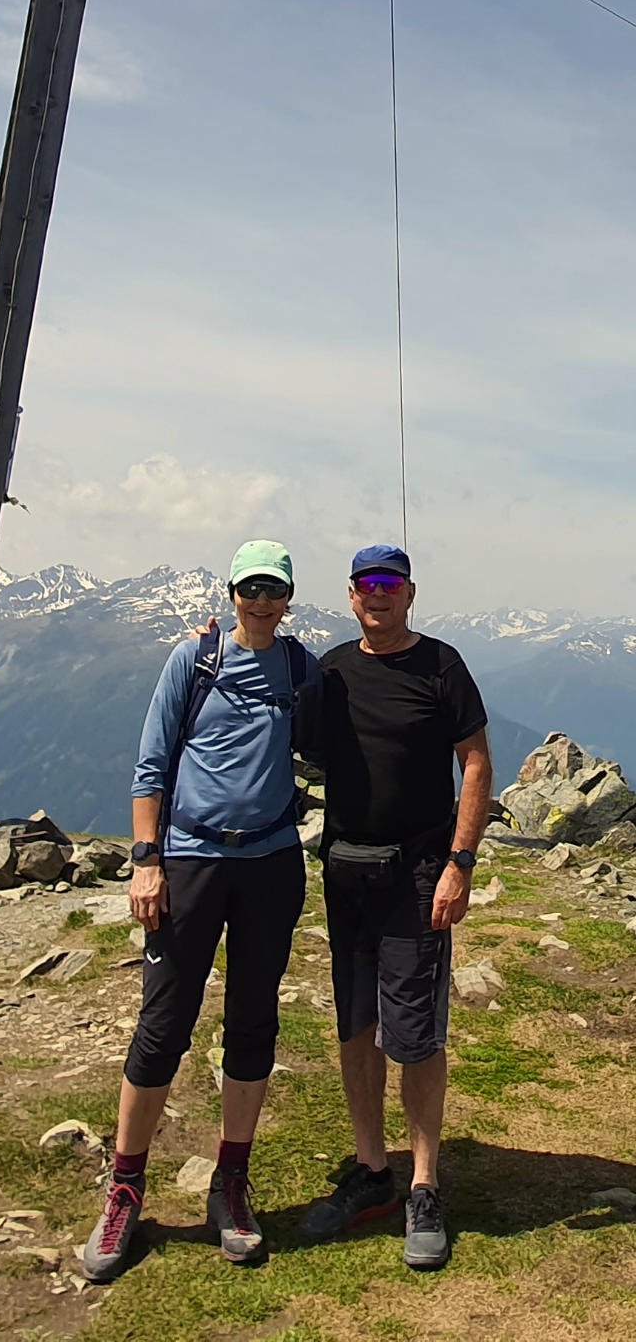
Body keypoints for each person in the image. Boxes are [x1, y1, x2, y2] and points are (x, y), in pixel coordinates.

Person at [81, 540, 319, 1284]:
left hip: (272, 864)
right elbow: (151, 765)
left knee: (253, 1021)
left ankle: (232, 1184)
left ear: (288, 598)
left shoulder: (302, 669)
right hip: (189, 862)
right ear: (232, 591)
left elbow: (347, 730)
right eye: (251, 588)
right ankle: (124, 1188)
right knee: (163, 1024)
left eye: (273, 590)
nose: (261, 601)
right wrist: (145, 862)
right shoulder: (195, 661)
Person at [297, 544, 492, 1270]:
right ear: (351, 596)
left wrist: (459, 864)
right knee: (356, 1026)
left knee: (414, 1035)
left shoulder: (441, 666)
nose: (378, 595)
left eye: (391, 583)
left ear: (410, 593)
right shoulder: (332, 672)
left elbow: (475, 760)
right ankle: (373, 1170)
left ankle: (423, 1186)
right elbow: (286, 734)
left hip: (417, 874)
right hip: (347, 872)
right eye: (366, 584)